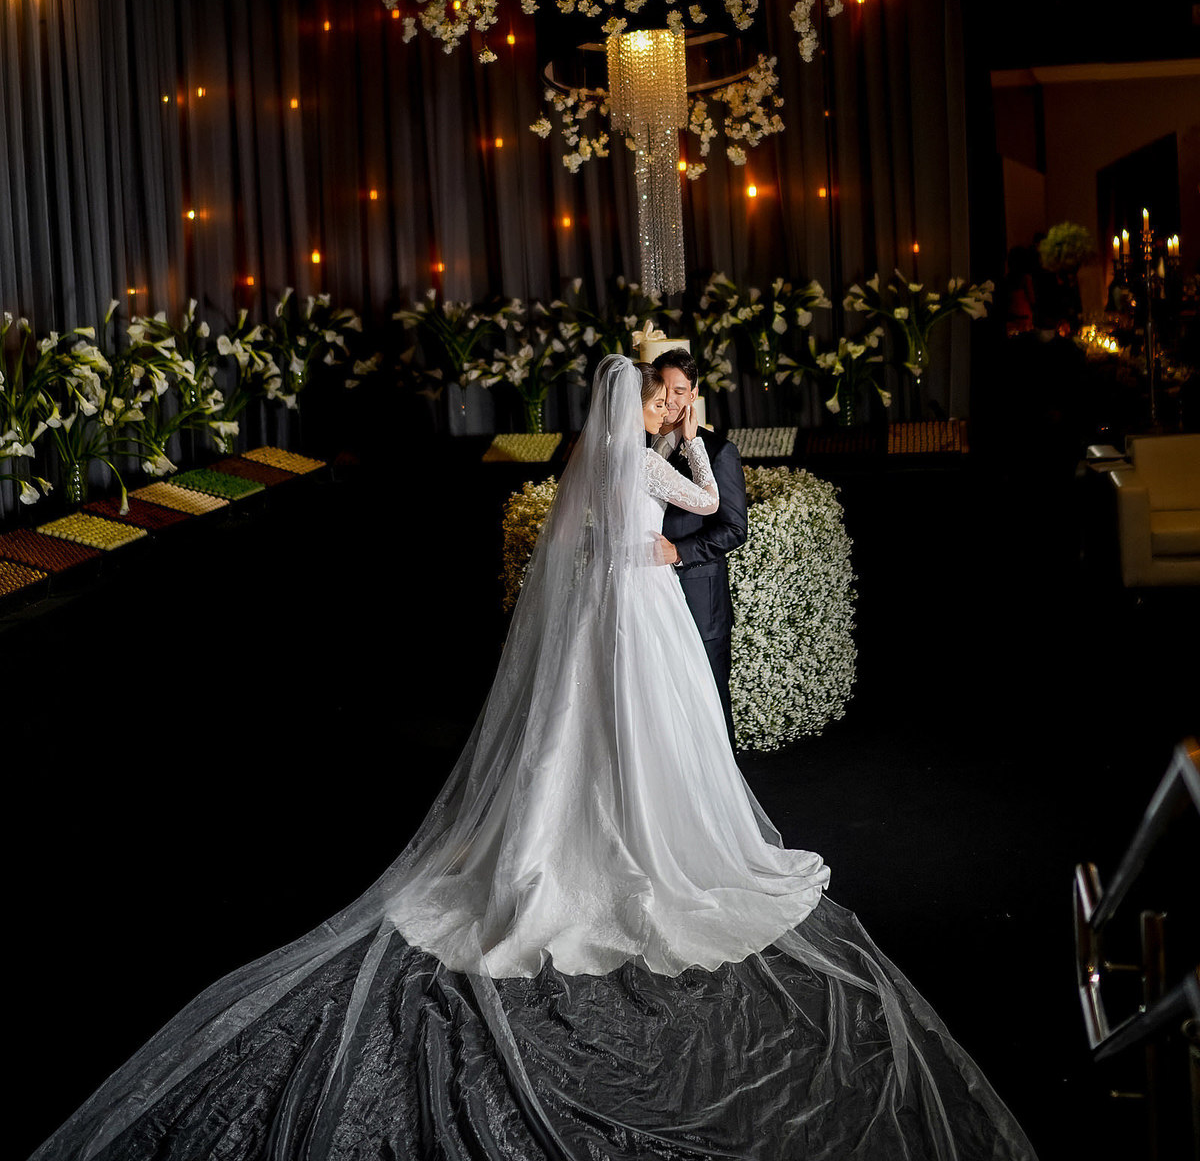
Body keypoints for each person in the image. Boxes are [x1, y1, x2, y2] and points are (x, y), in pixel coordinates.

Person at [28, 356, 1036, 1160]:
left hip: (602, 610)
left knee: (582, 731)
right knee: (653, 730)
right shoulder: (646, 461)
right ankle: (642, 841)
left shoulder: (591, 460)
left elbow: (587, 537)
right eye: (661, 399)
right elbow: (699, 501)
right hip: (644, 612)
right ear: (640, 406)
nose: (669, 408)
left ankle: (576, 831)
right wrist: (690, 443)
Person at [651, 346, 746, 748]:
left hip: (699, 598)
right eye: (663, 389)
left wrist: (678, 552)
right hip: (648, 598)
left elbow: (734, 528)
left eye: (680, 391)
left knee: (709, 701)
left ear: (693, 395)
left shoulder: (719, 451)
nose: (670, 400)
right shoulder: (637, 445)